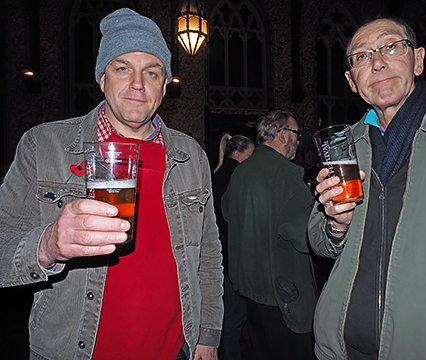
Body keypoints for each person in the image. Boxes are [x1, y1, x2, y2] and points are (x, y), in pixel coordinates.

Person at [0, 8, 223, 360]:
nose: (138, 82)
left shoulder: (190, 154)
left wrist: (208, 336)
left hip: (174, 351)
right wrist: (46, 246)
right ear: (101, 78)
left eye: (152, 72)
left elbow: (208, 257)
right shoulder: (44, 146)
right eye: (123, 68)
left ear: (164, 86)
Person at [308, 16, 426, 359]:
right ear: (352, 82)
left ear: (417, 60)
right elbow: (317, 238)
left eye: (390, 47)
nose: (377, 62)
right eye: (361, 56)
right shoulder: (345, 144)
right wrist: (335, 225)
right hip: (342, 348)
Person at [222, 110, 318, 360]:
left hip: (251, 291)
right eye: (296, 134)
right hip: (284, 296)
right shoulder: (286, 174)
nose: (299, 140)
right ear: (283, 134)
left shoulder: (241, 171)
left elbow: (227, 212)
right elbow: (307, 235)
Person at [212, 133, 254, 360]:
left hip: (221, 257)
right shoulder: (235, 176)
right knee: (233, 319)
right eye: (250, 154)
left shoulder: (220, 173)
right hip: (230, 258)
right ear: (238, 154)